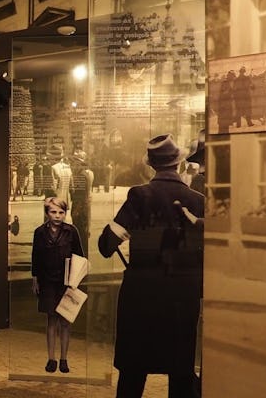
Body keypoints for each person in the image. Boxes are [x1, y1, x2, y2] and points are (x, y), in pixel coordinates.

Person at [97, 134, 204, 398]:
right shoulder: (198, 200)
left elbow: (106, 245)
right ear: (178, 165)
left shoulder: (139, 196)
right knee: (180, 371)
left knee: (133, 370)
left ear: (151, 165)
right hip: (182, 296)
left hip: (141, 296)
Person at [31, 197, 84, 374]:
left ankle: (64, 359)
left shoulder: (71, 231)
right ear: (47, 213)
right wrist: (35, 279)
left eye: (61, 212)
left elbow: (80, 257)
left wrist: (75, 281)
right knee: (51, 319)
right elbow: (36, 257)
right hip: (47, 281)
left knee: (66, 321)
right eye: (53, 212)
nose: (57, 216)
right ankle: (51, 358)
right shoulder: (39, 232)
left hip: (66, 282)